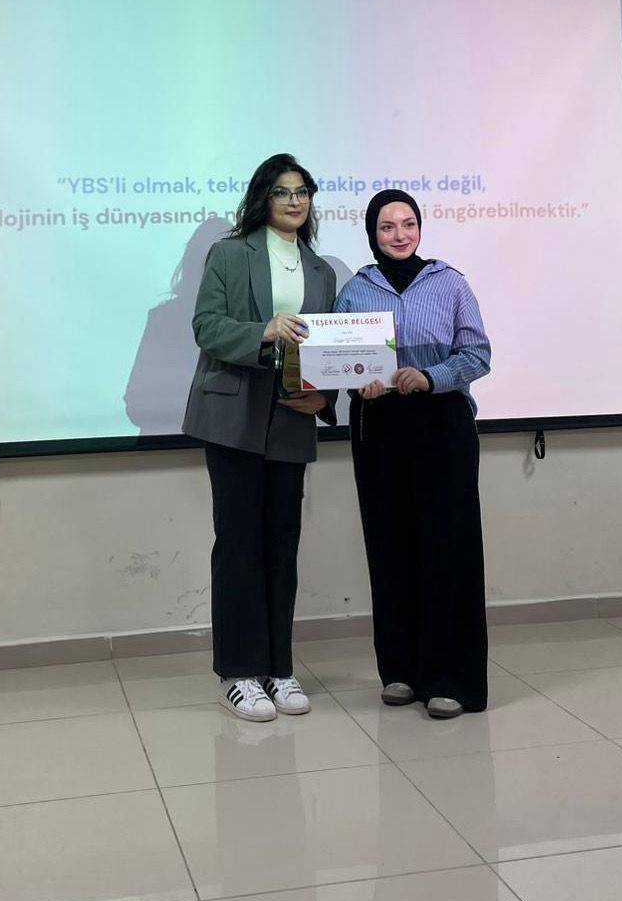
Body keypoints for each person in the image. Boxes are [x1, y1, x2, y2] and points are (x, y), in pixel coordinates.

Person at [183, 154, 338, 722]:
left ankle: (279, 668)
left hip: (291, 418)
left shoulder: (322, 270)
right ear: (262, 198)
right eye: (282, 192)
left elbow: (330, 349)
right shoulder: (229, 253)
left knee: (281, 545)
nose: (294, 201)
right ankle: (239, 672)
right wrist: (264, 330)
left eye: (302, 192)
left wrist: (325, 399)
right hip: (232, 417)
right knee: (239, 544)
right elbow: (206, 327)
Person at [333, 189, 491, 718]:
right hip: (379, 427)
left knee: (448, 548)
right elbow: (339, 361)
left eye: (408, 224)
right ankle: (399, 670)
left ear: (420, 229)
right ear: (371, 234)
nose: (399, 235)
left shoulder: (450, 283)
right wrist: (357, 382)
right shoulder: (355, 290)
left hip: (441, 423)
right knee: (389, 545)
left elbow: (478, 354)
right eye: (387, 227)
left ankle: (452, 680)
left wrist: (430, 376)